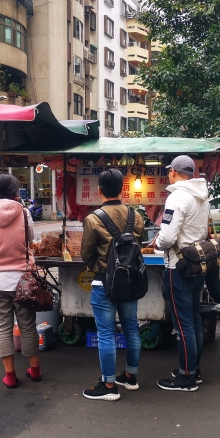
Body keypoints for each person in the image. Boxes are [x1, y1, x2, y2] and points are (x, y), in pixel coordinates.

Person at [80, 169, 145, 401]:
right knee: (131, 328)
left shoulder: (93, 218)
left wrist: (93, 266)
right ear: (122, 189)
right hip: (130, 280)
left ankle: (108, 386)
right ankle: (130, 376)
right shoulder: (135, 215)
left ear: (99, 190)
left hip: (104, 282)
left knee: (106, 333)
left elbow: (86, 253)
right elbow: (138, 243)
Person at [0, 174, 41, 389]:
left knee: (3, 327)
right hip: (22, 279)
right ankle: (35, 370)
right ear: (15, 192)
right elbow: (30, 239)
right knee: (28, 326)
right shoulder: (24, 214)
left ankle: (10, 375)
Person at [154, 156, 210, 391]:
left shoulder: (177, 197)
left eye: (169, 172)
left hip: (177, 266)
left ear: (175, 172)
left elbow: (167, 237)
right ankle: (193, 370)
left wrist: (157, 243)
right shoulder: (201, 196)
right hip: (197, 264)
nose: (168, 175)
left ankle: (186, 376)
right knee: (194, 320)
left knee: (183, 323)